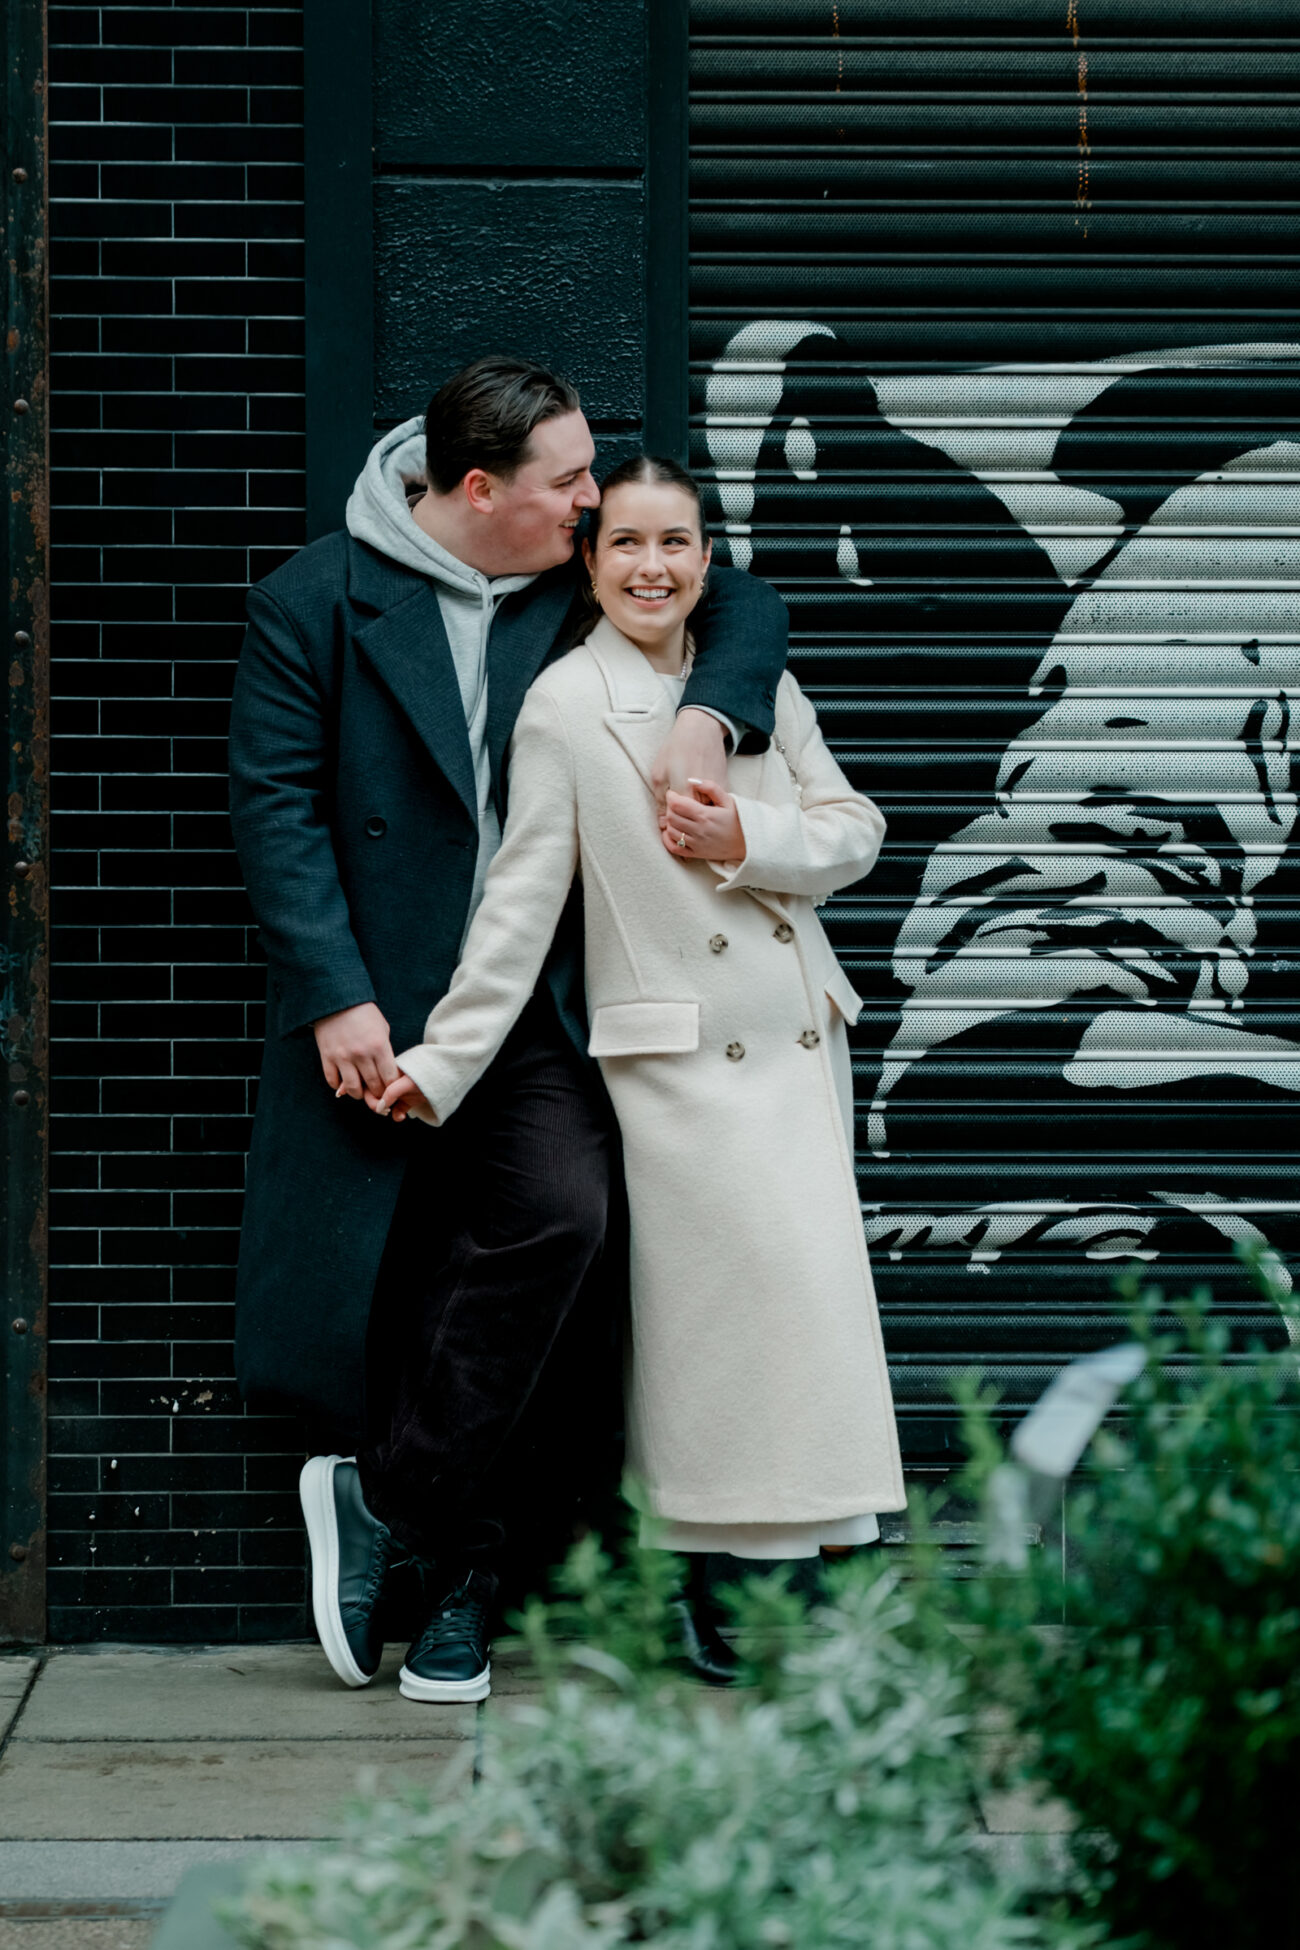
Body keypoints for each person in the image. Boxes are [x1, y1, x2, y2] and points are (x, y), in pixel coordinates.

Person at [228, 361, 790, 1704]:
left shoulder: (574, 575)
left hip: (537, 999)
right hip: (381, 1002)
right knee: (412, 1281)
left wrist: (709, 713)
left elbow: (743, 599)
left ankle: (388, 1500)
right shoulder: (315, 600)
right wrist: (335, 992)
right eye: (570, 481)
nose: (595, 502)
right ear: (479, 490)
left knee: (559, 1223)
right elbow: (275, 806)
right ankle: (460, 1586)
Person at [375, 456, 906, 1682]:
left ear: (707, 560)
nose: (651, 567)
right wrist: (445, 1061)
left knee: (804, 1327)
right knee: (712, 1344)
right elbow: (520, 901)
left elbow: (854, 830)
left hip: (796, 1041)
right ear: (588, 558)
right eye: (624, 543)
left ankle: (781, 1583)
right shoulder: (565, 705)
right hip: (682, 1067)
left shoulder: (752, 682)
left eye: (674, 543)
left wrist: (744, 835)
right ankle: (712, 1591)